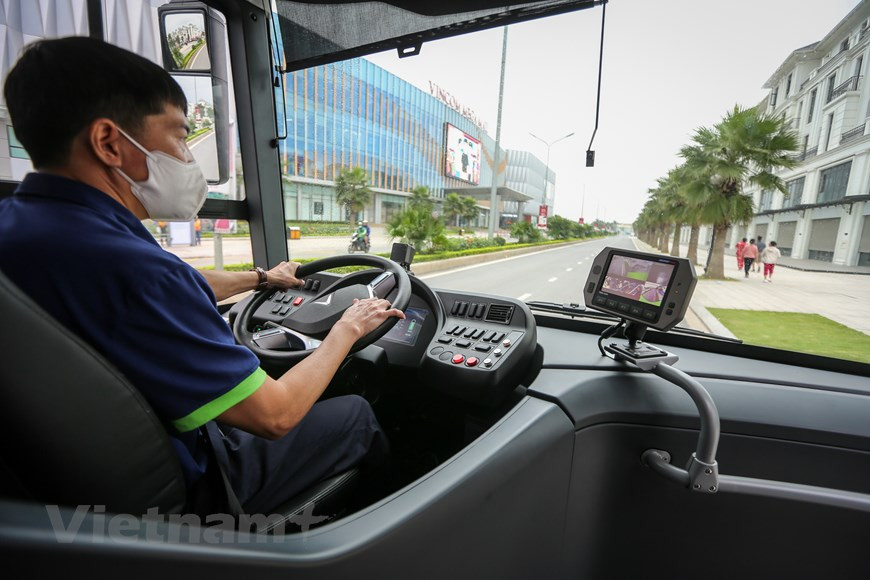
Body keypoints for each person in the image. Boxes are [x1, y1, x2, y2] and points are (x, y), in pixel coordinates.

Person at [0, 37, 404, 516]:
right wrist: (346, 329)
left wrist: (261, 279)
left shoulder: (29, 228)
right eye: (178, 135)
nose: (188, 156)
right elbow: (276, 415)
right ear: (109, 143)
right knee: (355, 414)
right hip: (190, 496)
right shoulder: (134, 269)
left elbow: (170, 286)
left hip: (72, 489)